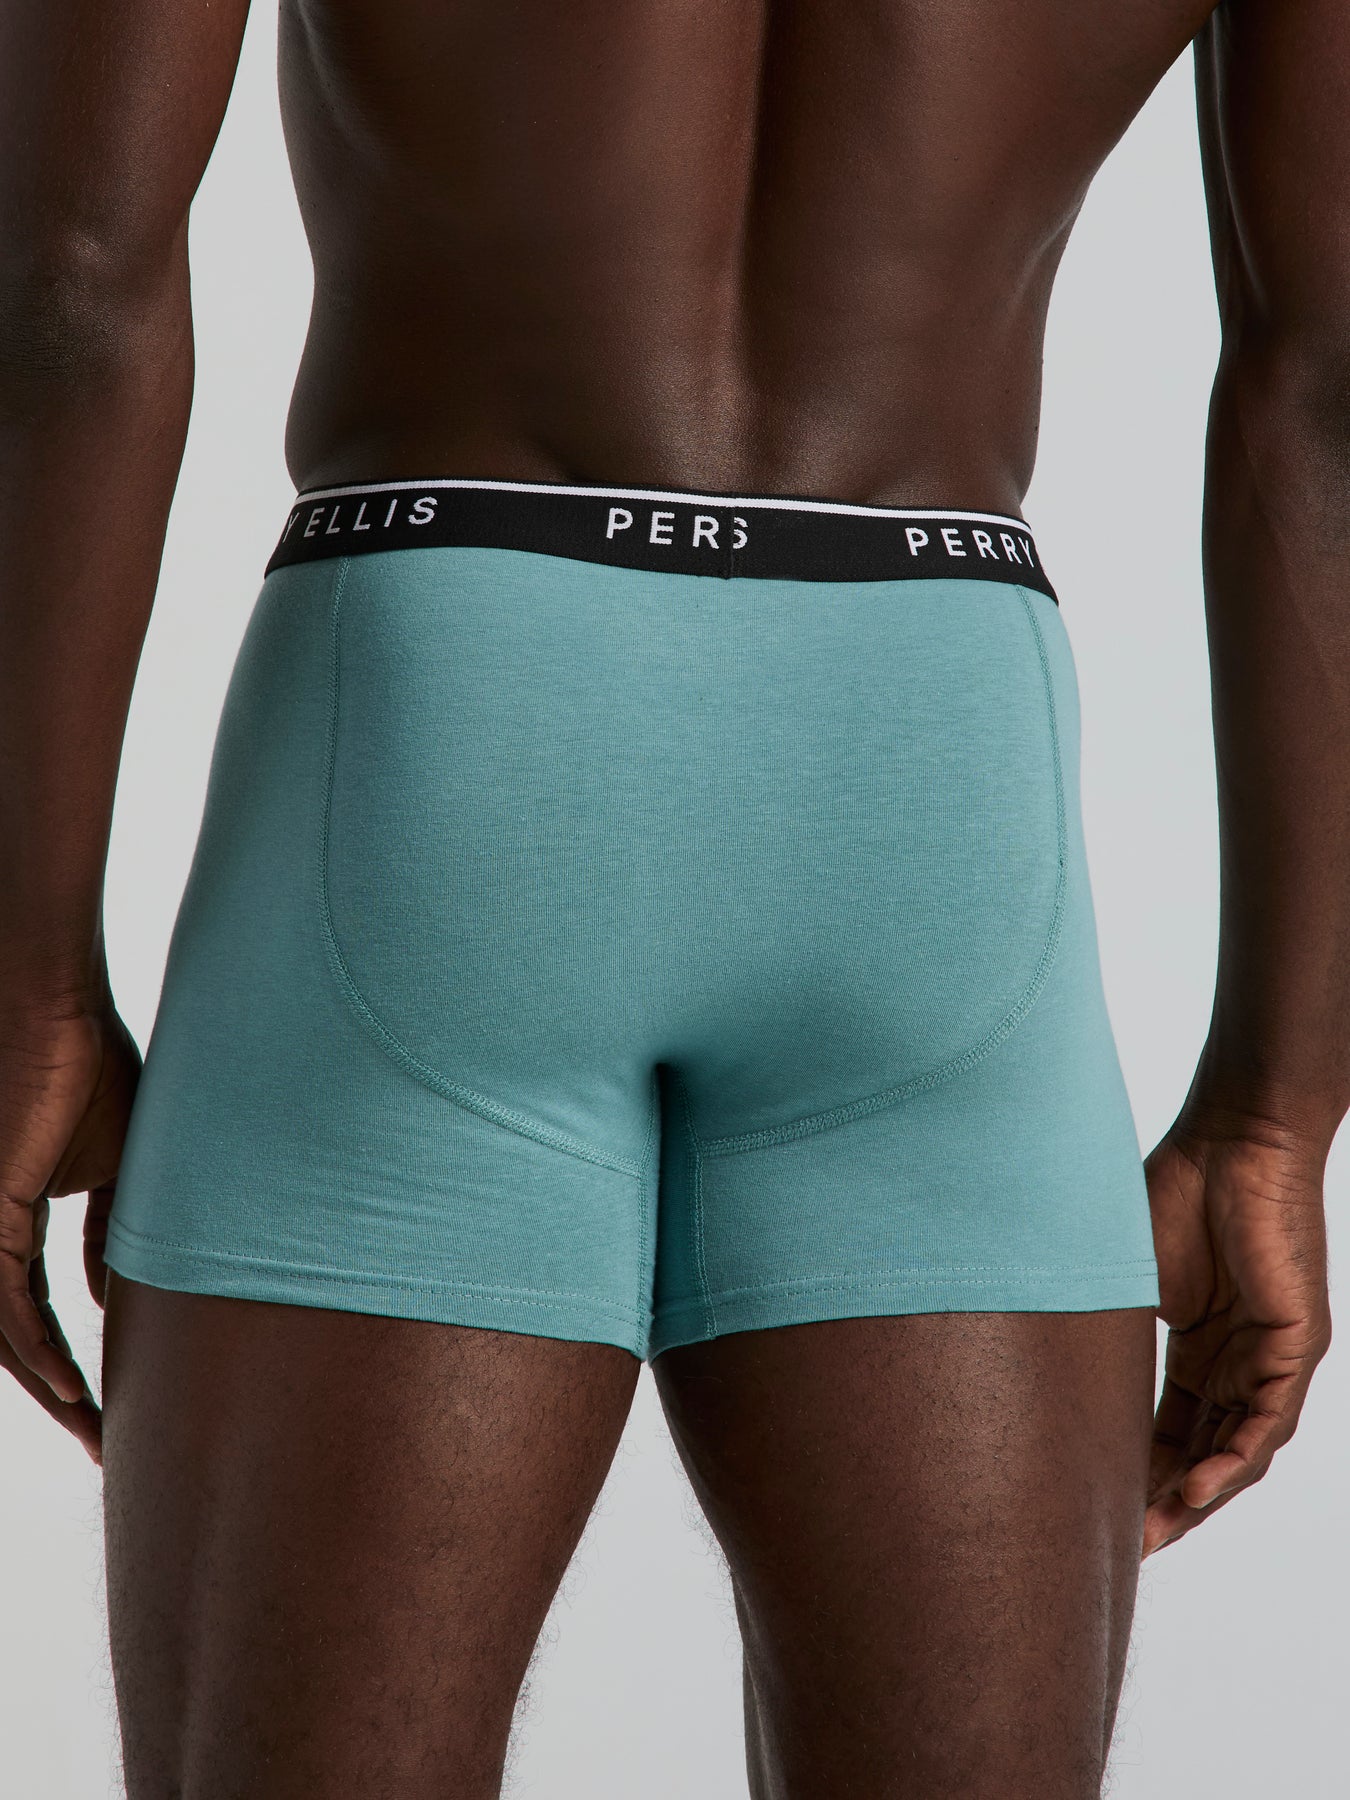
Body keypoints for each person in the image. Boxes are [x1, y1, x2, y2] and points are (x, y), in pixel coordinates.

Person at [0, 0, 1342, 1793]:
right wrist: (1273, 1110)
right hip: (930, 754)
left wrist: (28, 989)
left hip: (439, 717)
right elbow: (1330, 383)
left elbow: (70, 286)